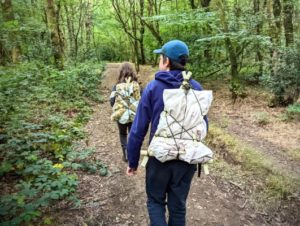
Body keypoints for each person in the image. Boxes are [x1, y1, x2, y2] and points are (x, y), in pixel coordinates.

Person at [126, 40, 209, 226]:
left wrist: (132, 162)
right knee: (178, 206)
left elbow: (138, 130)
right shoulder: (196, 88)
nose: (159, 61)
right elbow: (204, 126)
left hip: (159, 159)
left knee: (155, 202)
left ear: (166, 61)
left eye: (160, 57)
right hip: (187, 159)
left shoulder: (153, 87)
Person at [110, 62, 141, 162]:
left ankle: (126, 155)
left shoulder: (116, 87)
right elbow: (142, 101)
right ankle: (133, 154)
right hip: (134, 114)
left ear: (120, 73)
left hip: (121, 114)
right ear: (133, 73)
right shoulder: (138, 86)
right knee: (132, 134)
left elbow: (112, 101)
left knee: (123, 134)